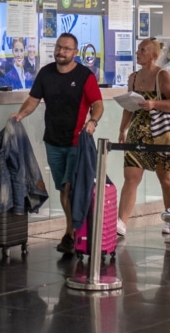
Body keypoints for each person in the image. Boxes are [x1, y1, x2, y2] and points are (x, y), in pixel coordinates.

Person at [11, 32, 104, 255]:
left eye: (66, 49)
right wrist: (20, 115)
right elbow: (33, 100)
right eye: (59, 47)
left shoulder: (84, 76)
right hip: (53, 141)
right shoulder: (46, 73)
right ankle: (74, 231)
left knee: (70, 187)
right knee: (63, 189)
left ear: (75, 52)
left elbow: (98, 104)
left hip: (76, 143)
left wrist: (92, 121)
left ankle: (71, 233)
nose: (61, 52)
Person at [117, 37, 170, 237]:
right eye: (138, 50)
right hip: (138, 132)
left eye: (142, 50)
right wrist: (122, 129)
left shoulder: (163, 77)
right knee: (131, 177)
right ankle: (121, 222)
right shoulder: (133, 77)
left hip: (160, 133)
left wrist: (154, 105)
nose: (138, 53)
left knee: (165, 177)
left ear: (154, 55)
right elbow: (129, 106)